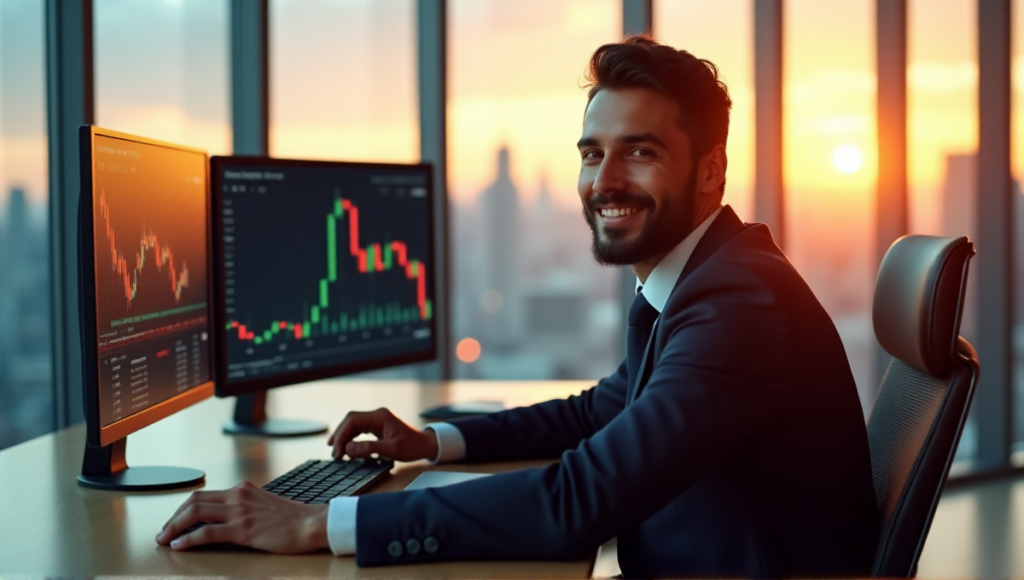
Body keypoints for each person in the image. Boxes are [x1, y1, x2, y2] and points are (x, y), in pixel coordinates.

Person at [157, 36, 880, 577]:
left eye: (641, 153)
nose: (607, 180)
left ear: (710, 171)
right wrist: (432, 441)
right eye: (593, 153)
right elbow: (600, 412)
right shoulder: (701, 280)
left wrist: (324, 523)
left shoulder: (738, 308)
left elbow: (578, 501)